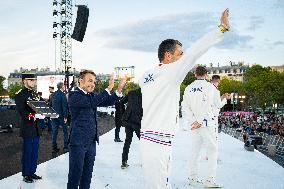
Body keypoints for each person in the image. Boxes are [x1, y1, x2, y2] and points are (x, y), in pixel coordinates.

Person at [138, 9, 230, 189]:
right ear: (168, 56)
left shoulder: (146, 75)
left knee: (158, 182)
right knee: (159, 184)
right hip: (159, 139)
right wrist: (221, 29)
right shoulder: (170, 72)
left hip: (149, 137)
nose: (183, 58)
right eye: (180, 54)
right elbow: (195, 52)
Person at [67, 70, 126, 189]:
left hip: (91, 142)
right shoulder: (74, 95)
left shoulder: (91, 95)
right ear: (81, 81)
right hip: (78, 143)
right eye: (90, 81)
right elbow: (92, 102)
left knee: (87, 176)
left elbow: (106, 101)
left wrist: (118, 90)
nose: (93, 84)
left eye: (94, 81)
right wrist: (108, 88)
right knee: (75, 176)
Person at [182, 66, 228, 188]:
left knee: (194, 151)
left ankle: (192, 178)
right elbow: (214, 105)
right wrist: (225, 98)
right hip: (207, 124)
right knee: (212, 151)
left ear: (195, 74)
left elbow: (185, 107)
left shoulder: (188, 88)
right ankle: (210, 180)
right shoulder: (210, 87)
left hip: (195, 125)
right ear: (206, 74)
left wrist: (194, 121)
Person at [15, 73, 45, 183]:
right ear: (24, 81)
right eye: (31, 80)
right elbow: (22, 112)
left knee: (34, 152)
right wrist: (35, 115)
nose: (33, 82)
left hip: (36, 128)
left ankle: (32, 172)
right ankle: (26, 174)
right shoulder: (20, 95)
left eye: (34, 80)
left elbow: (43, 106)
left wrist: (47, 113)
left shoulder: (35, 94)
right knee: (27, 152)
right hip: (27, 127)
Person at [120, 88, 143, 169]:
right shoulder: (147, 94)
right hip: (138, 122)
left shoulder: (131, 92)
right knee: (144, 143)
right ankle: (145, 161)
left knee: (127, 141)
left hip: (128, 120)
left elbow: (121, 102)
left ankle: (124, 161)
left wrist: (124, 114)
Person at [51, 82, 69, 153]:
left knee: (54, 132)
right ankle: (65, 147)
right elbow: (64, 107)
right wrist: (65, 117)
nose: (64, 87)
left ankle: (54, 147)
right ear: (62, 87)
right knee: (65, 132)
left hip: (53, 116)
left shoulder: (53, 94)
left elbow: (50, 105)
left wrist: (51, 115)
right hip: (61, 116)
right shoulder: (63, 95)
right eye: (64, 86)